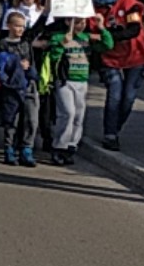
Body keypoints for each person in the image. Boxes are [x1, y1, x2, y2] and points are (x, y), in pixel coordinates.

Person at [92, 0, 144, 151]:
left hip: (135, 55)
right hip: (110, 56)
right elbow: (91, 32)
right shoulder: (94, 7)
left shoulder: (127, 2)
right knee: (115, 95)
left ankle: (116, 126)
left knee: (128, 98)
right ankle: (110, 134)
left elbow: (134, 28)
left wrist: (111, 34)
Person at [43, 16, 113, 166]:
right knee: (67, 113)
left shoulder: (86, 38)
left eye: (83, 22)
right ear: (68, 22)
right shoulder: (59, 37)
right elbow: (54, 56)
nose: (80, 25)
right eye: (77, 22)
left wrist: (101, 27)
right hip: (65, 80)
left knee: (79, 116)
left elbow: (108, 45)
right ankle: (59, 146)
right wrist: (63, 42)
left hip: (82, 80)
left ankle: (71, 146)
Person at [0, 11, 40, 167]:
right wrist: (15, 66)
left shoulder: (26, 42)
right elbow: (1, 66)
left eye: (22, 26)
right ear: (9, 26)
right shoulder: (3, 44)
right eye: (17, 26)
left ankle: (26, 149)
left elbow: (38, 27)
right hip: (12, 87)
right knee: (11, 120)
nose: (20, 29)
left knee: (31, 119)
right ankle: (9, 149)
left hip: (29, 85)